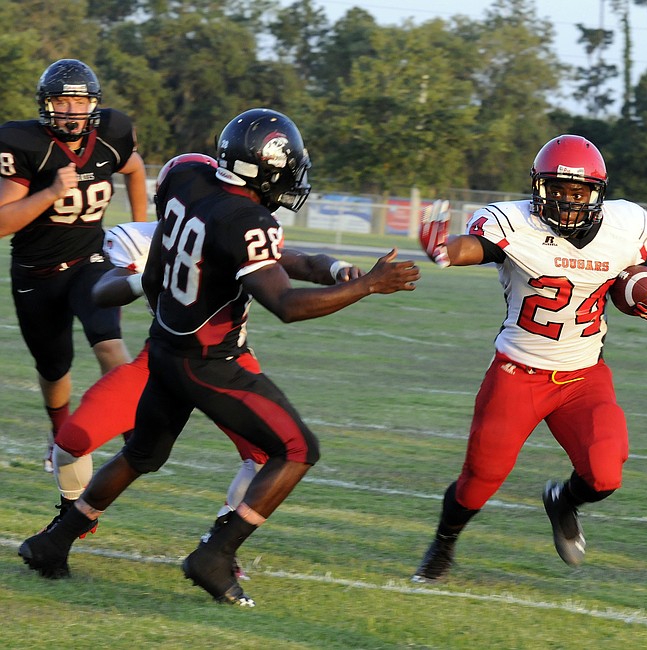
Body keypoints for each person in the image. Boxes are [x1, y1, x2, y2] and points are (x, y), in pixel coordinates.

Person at [19, 108, 421, 607]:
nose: (293, 177)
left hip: (165, 348)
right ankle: (215, 554)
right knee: (298, 449)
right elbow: (285, 305)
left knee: (141, 455)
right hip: (209, 361)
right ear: (262, 169)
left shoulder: (189, 176)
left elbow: (241, 253)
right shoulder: (247, 218)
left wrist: (329, 268)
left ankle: (52, 541)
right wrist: (368, 285)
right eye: (287, 166)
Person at [44, 154, 365, 581]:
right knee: (76, 440)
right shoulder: (146, 234)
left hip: (215, 355)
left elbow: (282, 260)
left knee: (262, 454)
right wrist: (144, 279)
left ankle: (219, 544)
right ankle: (71, 530)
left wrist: (336, 267)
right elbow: (103, 291)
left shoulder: (223, 215)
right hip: (183, 357)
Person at [412, 134, 647, 582]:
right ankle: (443, 543)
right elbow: (475, 249)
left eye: (577, 192)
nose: (566, 201)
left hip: (584, 377)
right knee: (479, 480)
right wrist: (444, 249)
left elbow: (644, 264)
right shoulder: (513, 223)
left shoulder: (625, 225)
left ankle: (562, 500)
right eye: (556, 189)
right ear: (538, 187)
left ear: (598, 193)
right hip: (518, 373)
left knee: (605, 474)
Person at [0, 58, 148, 473]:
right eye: (60, 102)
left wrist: (139, 234)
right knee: (53, 367)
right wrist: (49, 193)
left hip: (91, 259)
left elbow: (135, 170)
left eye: (78, 102)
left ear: (94, 105)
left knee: (108, 341)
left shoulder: (112, 134)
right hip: (36, 272)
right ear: (46, 106)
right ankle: (59, 432)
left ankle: (132, 438)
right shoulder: (25, 145)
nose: (70, 110)